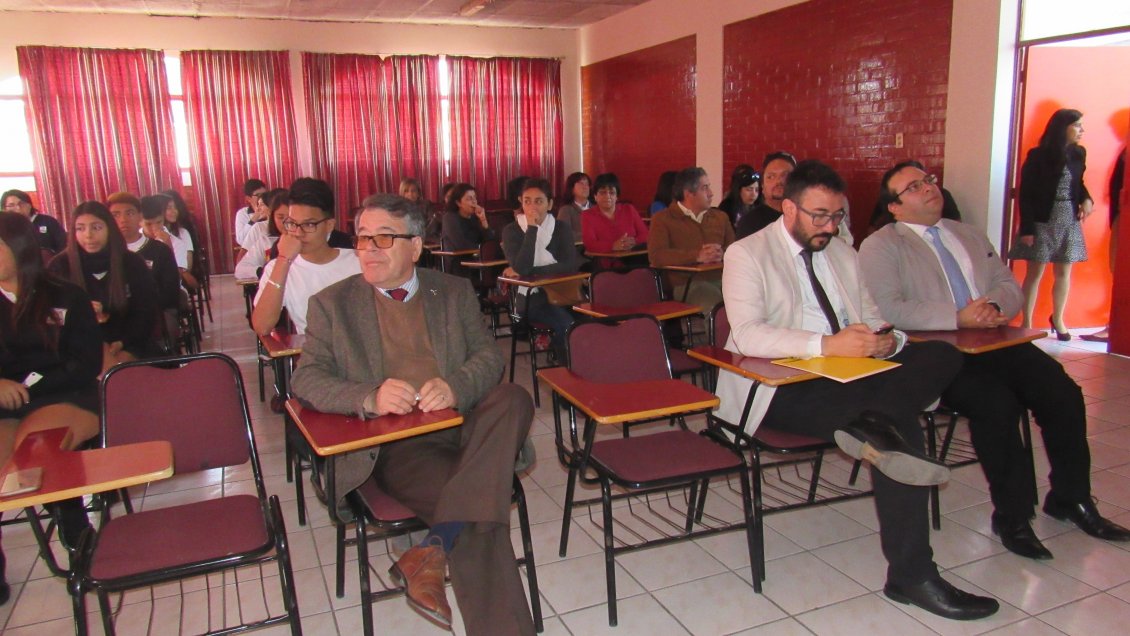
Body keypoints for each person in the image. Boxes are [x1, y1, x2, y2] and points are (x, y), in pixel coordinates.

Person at [714, 159, 998, 620]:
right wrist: (826, 345)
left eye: (837, 216)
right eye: (819, 216)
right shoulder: (747, 253)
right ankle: (912, 575)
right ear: (789, 208)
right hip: (781, 387)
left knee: (942, 355)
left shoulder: (844, 254)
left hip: (853, 376)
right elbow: (747, 335)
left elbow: (876, 318)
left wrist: (887, 340)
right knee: (900, 426)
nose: (830, 227)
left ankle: (873, 427)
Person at [290, 193, 535, 635]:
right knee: (477, 522)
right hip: (401, 446)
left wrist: (456, 386)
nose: (368, 249)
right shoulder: (333, 304)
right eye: (363, 238)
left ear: (416, 246)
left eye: (384, 238)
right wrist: (369, 396)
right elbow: (305, 380)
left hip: (468, 425)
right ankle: (440, 543)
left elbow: (488, 357)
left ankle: (431, 549)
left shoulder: (453, 292)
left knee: (514, 398)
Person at [860, 161, 1130, 558]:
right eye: (913, 187)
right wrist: (958, 317)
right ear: (894, 207)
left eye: (928, 180)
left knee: (1062, 393)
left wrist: (994, 307)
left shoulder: (966, 233)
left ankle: (1070, 497)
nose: (929, 188)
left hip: (992, 339)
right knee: (996, 405)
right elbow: (889, 308)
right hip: (937, 353)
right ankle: (1013, 517)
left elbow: (1006, 283)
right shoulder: (882, 245)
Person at [0, 212, 103, 604]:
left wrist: (31, 387)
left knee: (37, 453)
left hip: (65, 394)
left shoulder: (65, 295)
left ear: (19, 248)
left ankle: (75, 531)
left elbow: (86, 363)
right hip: (6, 403)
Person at [48, 202, 159, 373]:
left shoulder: (132, 263)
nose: (88, 235)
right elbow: (51, 316)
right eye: (80, 228)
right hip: (77, 348)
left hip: (130, 341)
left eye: (96, 227)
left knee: (121, 371)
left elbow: (146, 312)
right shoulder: (59, 266)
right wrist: (80, 312)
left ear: (109, 229)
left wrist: (123, 343)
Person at [1012, 109, 1093, 340]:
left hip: (1068, 217)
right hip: (1042, 219)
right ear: (1062, 128)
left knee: (1064, 271)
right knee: (1035, 272)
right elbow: (1026, 193)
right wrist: (1027, 228)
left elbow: (1079, 183)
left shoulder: (1078, 153)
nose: (1081, 130)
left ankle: (1058, 319)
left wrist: (1086, 198)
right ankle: (1027, 322)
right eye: (1077, 125)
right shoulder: (1038, 156)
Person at [250, 178, 360, 336]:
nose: (299, 233)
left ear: (329, 225)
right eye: (292, 224)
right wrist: (283, 260)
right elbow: (262, 327)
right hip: (315, 350)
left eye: (309, 225)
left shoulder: (358, 262)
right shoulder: (278, 268)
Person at [501, 178, 579, 361]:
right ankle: (565, 370)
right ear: (521, 202)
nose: (532, 207)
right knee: (567, 325)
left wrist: (533, 271)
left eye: (538, 201)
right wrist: (532, 229)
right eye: (527, 201)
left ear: (549, 204)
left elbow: (569, 265)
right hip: (532, 297)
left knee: (590, 323)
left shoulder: (561, 228)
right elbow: (522, 267)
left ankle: (583, 365)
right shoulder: (512, 231)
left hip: (564, 290)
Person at [647, 167, 734, 311]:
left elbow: (734, 249)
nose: (711, 193)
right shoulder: (663, 219)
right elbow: (657, 255)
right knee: (716, 305)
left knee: (751, 298)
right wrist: (697, 256)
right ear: (688, 194)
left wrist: (723, 253)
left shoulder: (720, 217)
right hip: (686, 283)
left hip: (723, 279)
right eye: (704, 188)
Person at [107, 192, 179, 313]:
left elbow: (170, 292)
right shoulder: (104, 253)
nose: (123, 220)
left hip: (153, 312)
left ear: (140, 217)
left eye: (129, 213)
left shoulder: (160, 250)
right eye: (116, 215)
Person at [1082, 146, 1125, 343]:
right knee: (1117, 271)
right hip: (1120, 218)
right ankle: (1116, 324)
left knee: (1120, 272)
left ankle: (1117, 325)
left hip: (1122, 218)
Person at [581, 172, 649, 269]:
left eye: (612, 193)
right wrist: (613, 246)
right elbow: (589, 244)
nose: (608, 196)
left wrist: (634, 241)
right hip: (606, 264)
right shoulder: (587, 215)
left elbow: (646, 234)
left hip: (634, 258)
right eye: (603, 192)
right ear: (595, 196)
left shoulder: (629, 209)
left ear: (617, 196)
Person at [140, 194, 196, 293]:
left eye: (159, 222)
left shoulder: (176, 243)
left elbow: (176, 278)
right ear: (139, 221)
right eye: (148, 224)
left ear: (163, 219)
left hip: (165, 291)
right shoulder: (131, 240)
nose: (154, 228)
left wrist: (168, 247)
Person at [736, 151, 796, 239]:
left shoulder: (805, 218)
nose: (778, 181)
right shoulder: (750, 223)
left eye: (785, 176)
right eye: (771, 177)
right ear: (762, 186)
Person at [233, 188, 287, 281]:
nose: (286, 221)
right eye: (280, 217)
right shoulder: (265, 239)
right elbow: (240, 269)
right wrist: (263, 272)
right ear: (272, 215)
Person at [2, 189, 66, 255]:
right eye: (11, 205)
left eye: (21, 203)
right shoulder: (4, 228)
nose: (18, 208)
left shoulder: (48, 221)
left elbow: (64, 246)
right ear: (4, 209)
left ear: (29, 205)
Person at [555, 172, 591, 242]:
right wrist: (591, 237)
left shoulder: (596, 208)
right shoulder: (566, 210)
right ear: (572, 188)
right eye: (581, 184)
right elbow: (564, 233)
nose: (585, 187)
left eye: (587, 184)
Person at [234, 178, 268, 247]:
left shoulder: (273, 209)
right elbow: (241, 240)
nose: (263, 197)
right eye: (258, 195)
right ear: (248, 199)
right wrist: (255, 218)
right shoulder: (242, 214)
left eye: (265, 194)